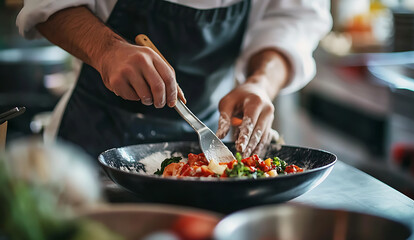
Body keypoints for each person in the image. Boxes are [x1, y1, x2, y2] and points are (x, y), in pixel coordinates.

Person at [17, 0, 332, 159]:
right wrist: (106, 49)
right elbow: (45, 4)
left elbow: (294, 17)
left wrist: (261, 82)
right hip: (89, 141)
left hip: (207, 136)